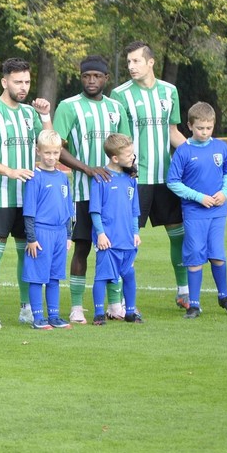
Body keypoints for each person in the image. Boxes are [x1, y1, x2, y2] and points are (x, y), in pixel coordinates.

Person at [0, 57, 52, 330]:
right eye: (18, 82)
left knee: (27, 254)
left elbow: (50, 146)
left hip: (28, 199)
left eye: (27, 81)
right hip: (0, 196)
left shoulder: (30, 114)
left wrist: (46, 117)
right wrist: (10, 172)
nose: (23, 87)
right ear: (4, 81)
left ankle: (26, 308)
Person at [110, 41, 189, 310]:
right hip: (135, 179)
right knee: (127, 239)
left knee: (178, 234)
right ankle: (119, 298)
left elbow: (173, 132)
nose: (131, 66)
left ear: (150, 62)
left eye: (136, 61)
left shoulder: (170, 91)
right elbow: (120, 140)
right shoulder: (120, 94)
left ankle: (183, 291)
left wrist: (196, 155)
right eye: (128, 62)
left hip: (167, 178)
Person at [54, 55, 130, 323]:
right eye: (87, 76)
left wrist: (131, 175)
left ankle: (115, 304)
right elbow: (57, 150)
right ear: (80, 77)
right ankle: (76, 307)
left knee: (116, 248)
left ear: (106, 78)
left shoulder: (116, 108)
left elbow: (126, 147)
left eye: (97, 76)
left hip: (114, 196)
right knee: (83, 247)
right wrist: (87, 169)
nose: (91, 81)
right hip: (83, 194)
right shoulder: (68, 107)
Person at [166, 103, 227, 319]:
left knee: (217, 254)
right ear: (189, 126)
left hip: (218, 211)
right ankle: (194, 304)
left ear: (213, 125)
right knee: (196, 254)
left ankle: (224, 296)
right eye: (200, 128)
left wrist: (225, 192)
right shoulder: (183, 151)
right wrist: (199, 197)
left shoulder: (220, 147)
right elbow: (173, 182)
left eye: (208, 128)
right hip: (194, 213)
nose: (205, 132)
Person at [22, 130, 73, 330]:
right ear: (38, 152)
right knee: (37, 276)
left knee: (54, 276)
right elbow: (29, 212)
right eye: (47, 153)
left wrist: (68, 235)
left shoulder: (63, 178)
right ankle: (38, 317)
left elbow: (68, 210)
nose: (51, 157)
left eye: (55, 153)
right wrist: (32, 238)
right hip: (41, 233)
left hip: (60, 233)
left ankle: (54, 315)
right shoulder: (35, 178)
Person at [89, 134, 142, 325]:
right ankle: (98, 313)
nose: (133, 158)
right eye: (129, 155)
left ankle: (130, 312)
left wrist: (135, 232)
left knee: (129, 274)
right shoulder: (100, 179)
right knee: (102, 277)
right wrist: (101, 234)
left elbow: (135, 209)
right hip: (108, 239)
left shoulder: (131, 179)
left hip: (127, 238)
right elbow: (95, 211)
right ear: (115, 158)